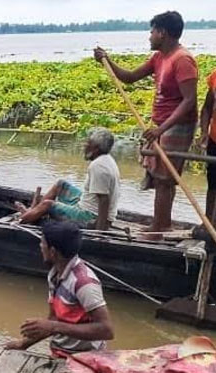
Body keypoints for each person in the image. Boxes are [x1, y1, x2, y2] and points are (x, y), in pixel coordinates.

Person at [94, 11, 198, 233]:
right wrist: (107, 61)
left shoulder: (182, 60)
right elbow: (130, 77)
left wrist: (162, 128)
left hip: (177, 125)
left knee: (164, 178)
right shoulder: (159, 57)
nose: (149, 36)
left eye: (152, 32)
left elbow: (189, 101)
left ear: (162, 33)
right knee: (160, 176)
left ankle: (159, 228)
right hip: (160, 122)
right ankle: (162, 224)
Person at [6, 221, 114, 356]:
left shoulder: (84, 283)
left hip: (85, 358)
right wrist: (23, 344)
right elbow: (54, 318)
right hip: (59, 352)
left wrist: (53, 326)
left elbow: (106, 330)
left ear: (52, 251)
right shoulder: (55, 274)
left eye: (43, 243)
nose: (40, 246)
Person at [17, 128, 120, 231]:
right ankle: (33, 212)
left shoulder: (98, 166)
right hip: (88, 206)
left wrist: (99, 231)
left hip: (90, 217)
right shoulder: (107, 159)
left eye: (88, 143)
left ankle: (21, 219)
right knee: (60, 184)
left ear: (96, 148)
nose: (84, 146)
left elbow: (104, 199)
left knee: (47, 204)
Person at [200, 68, 216, 220]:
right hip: (214, 140)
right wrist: (204, 132)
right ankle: (208, 222)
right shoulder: (215, 76)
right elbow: (206, 108)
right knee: (213, 184)